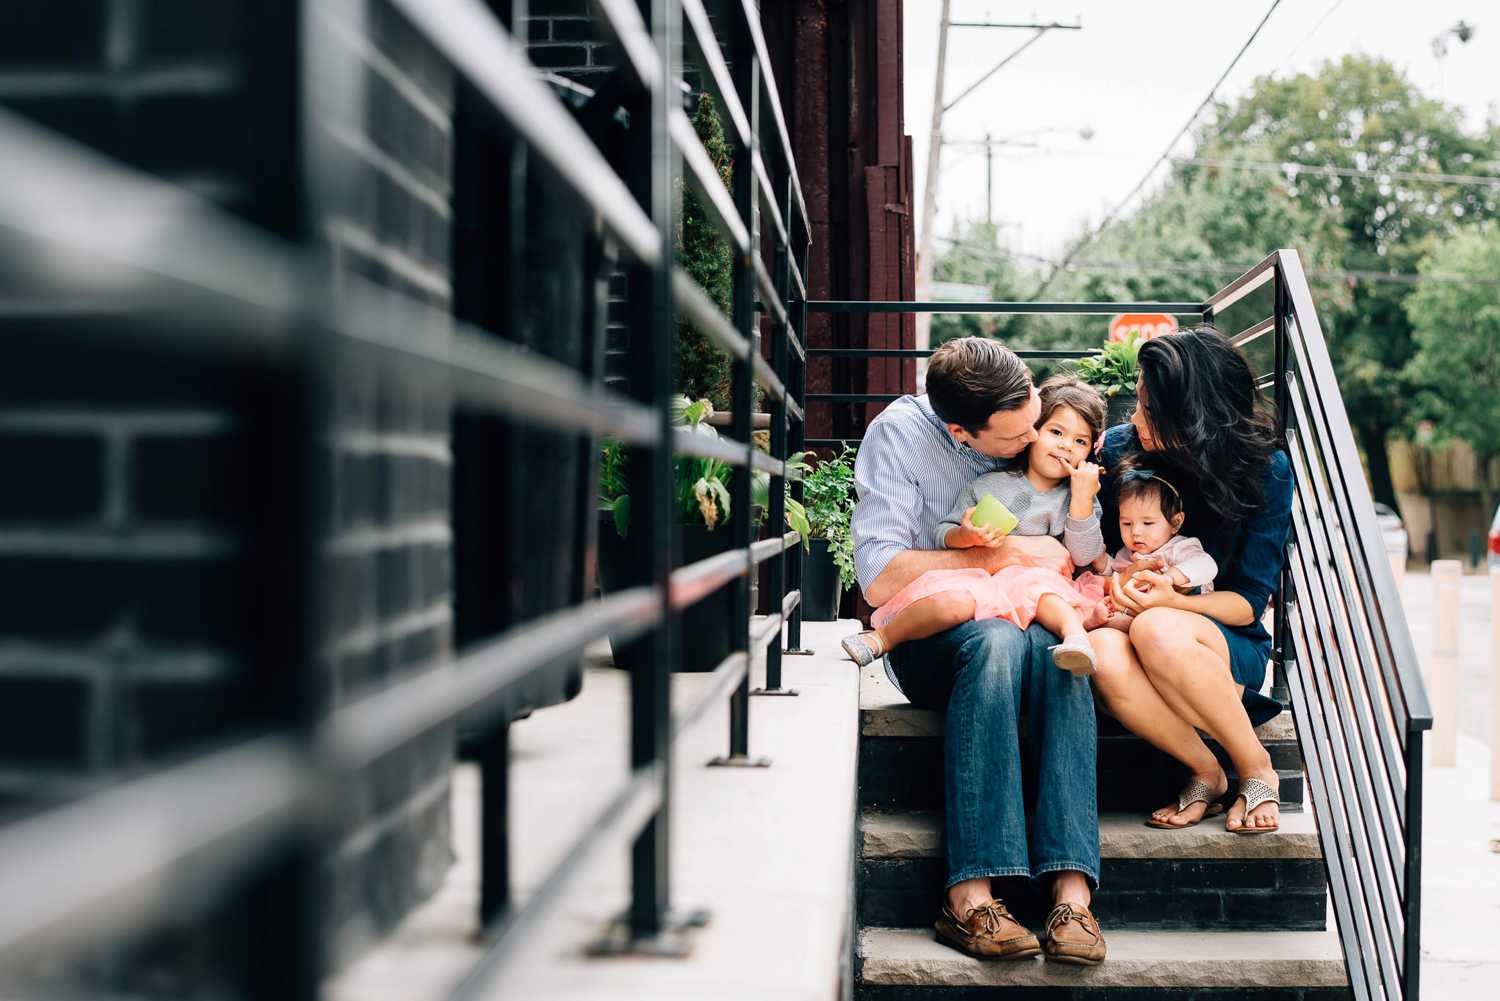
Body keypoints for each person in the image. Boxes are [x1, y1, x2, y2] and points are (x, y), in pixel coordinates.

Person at [852, 338, 1106, 965]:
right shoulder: (901, 437)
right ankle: (970, 895)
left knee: (1057, 642)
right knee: (997, 641)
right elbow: (879, 577)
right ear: (962, 432)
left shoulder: (1017, 410)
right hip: (938, 629)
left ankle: (1072, 891)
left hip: (1029, 623)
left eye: (1035, 421)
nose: (1032, 443)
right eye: (1015, 438)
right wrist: (1008, 553)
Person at [1088, 327, 1292, 835]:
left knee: (1158, 627)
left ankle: (1255, 767)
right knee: (1102, 654)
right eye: (1137, 403)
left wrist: (1172, 601)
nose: (1134, 419)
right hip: (1130, 625)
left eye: (1149, 410)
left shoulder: (1265, 471)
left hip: (1223, 638)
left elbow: (1247, 602)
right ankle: (1206, 770)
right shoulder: (1120, 452)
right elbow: (1094, 554)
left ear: (1194, 416)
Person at [840, 375, 1109, 676]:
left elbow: (1084, 555)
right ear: (1033, 432)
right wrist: (964, 536)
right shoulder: (988, 484)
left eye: (1080, 441)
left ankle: (1076, 639)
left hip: (1037, 586)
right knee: (950, 602)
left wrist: (1083, 500)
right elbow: (944, 532)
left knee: (1050, 598)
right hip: (983, 578)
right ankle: (881, 638)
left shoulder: (1076, 499)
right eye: (1056, 432)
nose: (1065, 446)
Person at [1094, 464, 1219, 635]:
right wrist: (1103, 562)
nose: (1135, 532)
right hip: (1140, 614)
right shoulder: (1126, 553)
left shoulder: (1179, 547)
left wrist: (1170, 577)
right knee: (1106, 620)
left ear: (1175, 523)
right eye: (1127, 523)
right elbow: (1116, 571)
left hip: (1185, 615)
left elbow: (1207, 565)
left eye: (1148, 523)